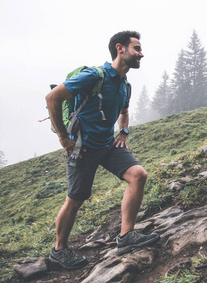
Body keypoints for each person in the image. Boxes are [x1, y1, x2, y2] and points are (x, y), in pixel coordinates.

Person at [45, 30, 160, 270]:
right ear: (120, 49)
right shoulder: (93, 76)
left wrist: (123, 132)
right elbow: (52, 98)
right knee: (76, 199)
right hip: (82, 148)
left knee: (138, 175)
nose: (141, 53)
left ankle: (126, 236)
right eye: (136, 48)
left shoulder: (124, 85)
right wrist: (63, 138)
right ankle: (59, 250)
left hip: (109, 144)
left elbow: (124, 112)